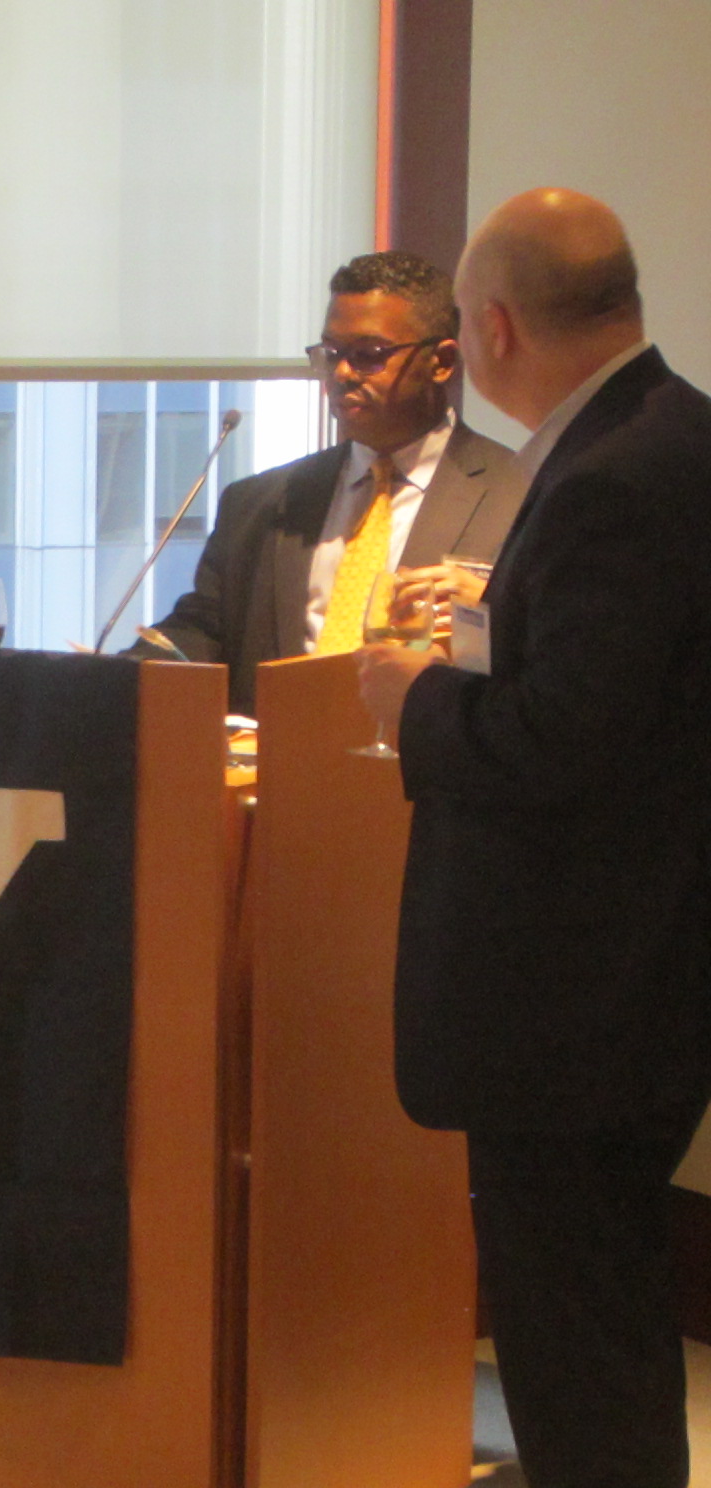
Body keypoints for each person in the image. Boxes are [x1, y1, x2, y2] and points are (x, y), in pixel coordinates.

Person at [358, 189, 711, 1488]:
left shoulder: (608, 481)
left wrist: (415, 704)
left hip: (573, 1007)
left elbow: (559, 747)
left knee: (577, 1359)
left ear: (493, 327)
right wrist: (496, 614)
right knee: (604, 1330)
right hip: (640, 983)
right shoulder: (677, 433)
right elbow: (634, 694)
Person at [137, 250, 523, 715]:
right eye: (331, 354)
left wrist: (489, 608)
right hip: (277, 773)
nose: (341, 374)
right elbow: (196, 637)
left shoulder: (519, 493)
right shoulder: (259, 503)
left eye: (368, 356)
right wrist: (107, 680)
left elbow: (542, 659)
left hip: (426, 771)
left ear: (441, 362)